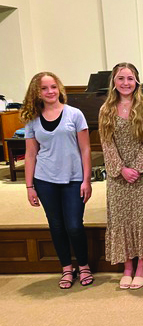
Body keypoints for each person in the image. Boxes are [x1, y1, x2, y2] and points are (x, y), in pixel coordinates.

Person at [99, 63, 143, 290]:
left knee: (142, 217)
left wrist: (137, 168)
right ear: (114, 81)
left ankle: (142, 264)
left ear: (137, 81)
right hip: (117, 174)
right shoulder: (106, 110)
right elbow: (106, 143)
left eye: (130, 78)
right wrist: (121, 169)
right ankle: (127, 265)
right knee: (121, 219)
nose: (126, 83)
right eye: (121, 78)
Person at [21, 72, 94, 288]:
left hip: (73, 178)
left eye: (53, 87)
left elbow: (86, 149)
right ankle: (66, 268)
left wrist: (86, 180)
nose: (50, 91)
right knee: (56, 225)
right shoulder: (32, 119)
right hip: (44, 179)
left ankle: (83, 266)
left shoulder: (75, 114)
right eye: (44, 88)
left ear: (59, 88)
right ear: (37, 92)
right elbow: (30, 154)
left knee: (73, 225)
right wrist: (29, 186)